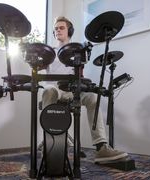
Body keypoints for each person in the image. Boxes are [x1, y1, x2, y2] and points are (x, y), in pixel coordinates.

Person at [41, 16, 128, 163]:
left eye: (61, 27)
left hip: (74, 90)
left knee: (93, 97)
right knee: (48, 90)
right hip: (56, 89)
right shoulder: (50, 52)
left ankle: (101, 147)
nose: (58, 30)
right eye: (56, 28)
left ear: (70, 31)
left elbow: (81, 74)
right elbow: (40, 70)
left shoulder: (77, 49)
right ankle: (50, 142)